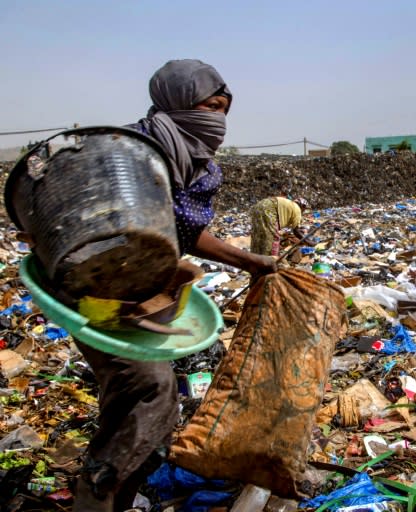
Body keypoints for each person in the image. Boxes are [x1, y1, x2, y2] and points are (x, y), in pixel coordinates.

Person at [73, 59, 277, 512]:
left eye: (223, 110)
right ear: (176, 102)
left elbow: (185, 233)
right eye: (209, 106)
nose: (217, 120)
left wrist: (250, 262)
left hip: (145, 296)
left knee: (145, 405)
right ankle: (95, 496)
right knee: (148, 392)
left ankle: (118, 497)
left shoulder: (197, 165)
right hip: (96, 296)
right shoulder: (129, 149)